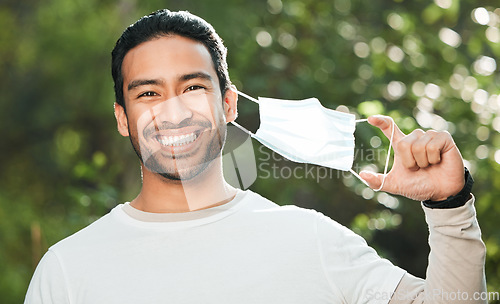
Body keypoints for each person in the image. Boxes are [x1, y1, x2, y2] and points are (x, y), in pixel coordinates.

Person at [25, 9, 486, 304]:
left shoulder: (310, 241)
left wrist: (450, 207)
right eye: (148, 93)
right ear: (123, 118)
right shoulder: (70, 270)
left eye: (193, 87)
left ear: (228, 104)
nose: (175, 111)